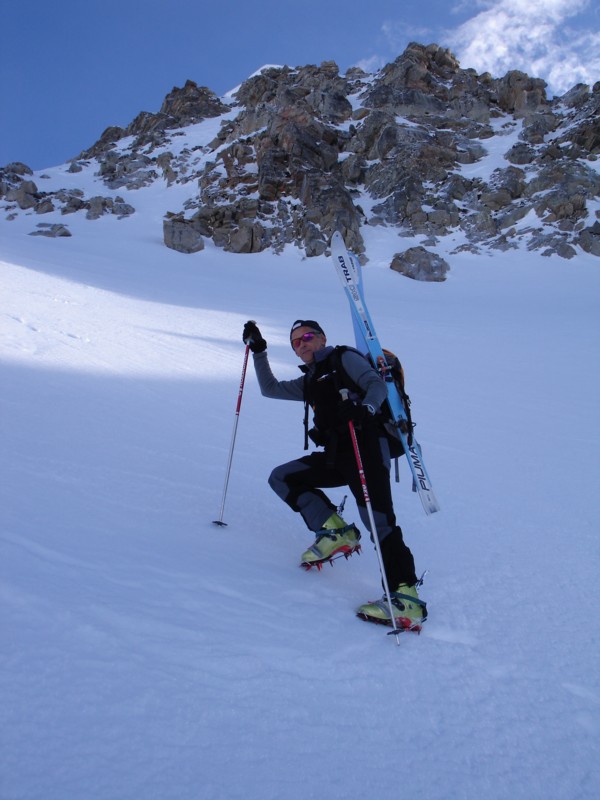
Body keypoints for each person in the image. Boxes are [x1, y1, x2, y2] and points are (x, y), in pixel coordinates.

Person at [242, 318, 427, 631]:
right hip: (337, 455)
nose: (302, 344)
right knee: (282, 477)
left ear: (322, 337)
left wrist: (366, 409)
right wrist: (259, 351)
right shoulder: (311, 380)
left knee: (379, 522)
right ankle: (336, 531)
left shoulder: (343, 358)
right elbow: (270, 389)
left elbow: (376, 385)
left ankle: (406, 598)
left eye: (308, 336)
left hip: (367, 447)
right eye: (296, 342)